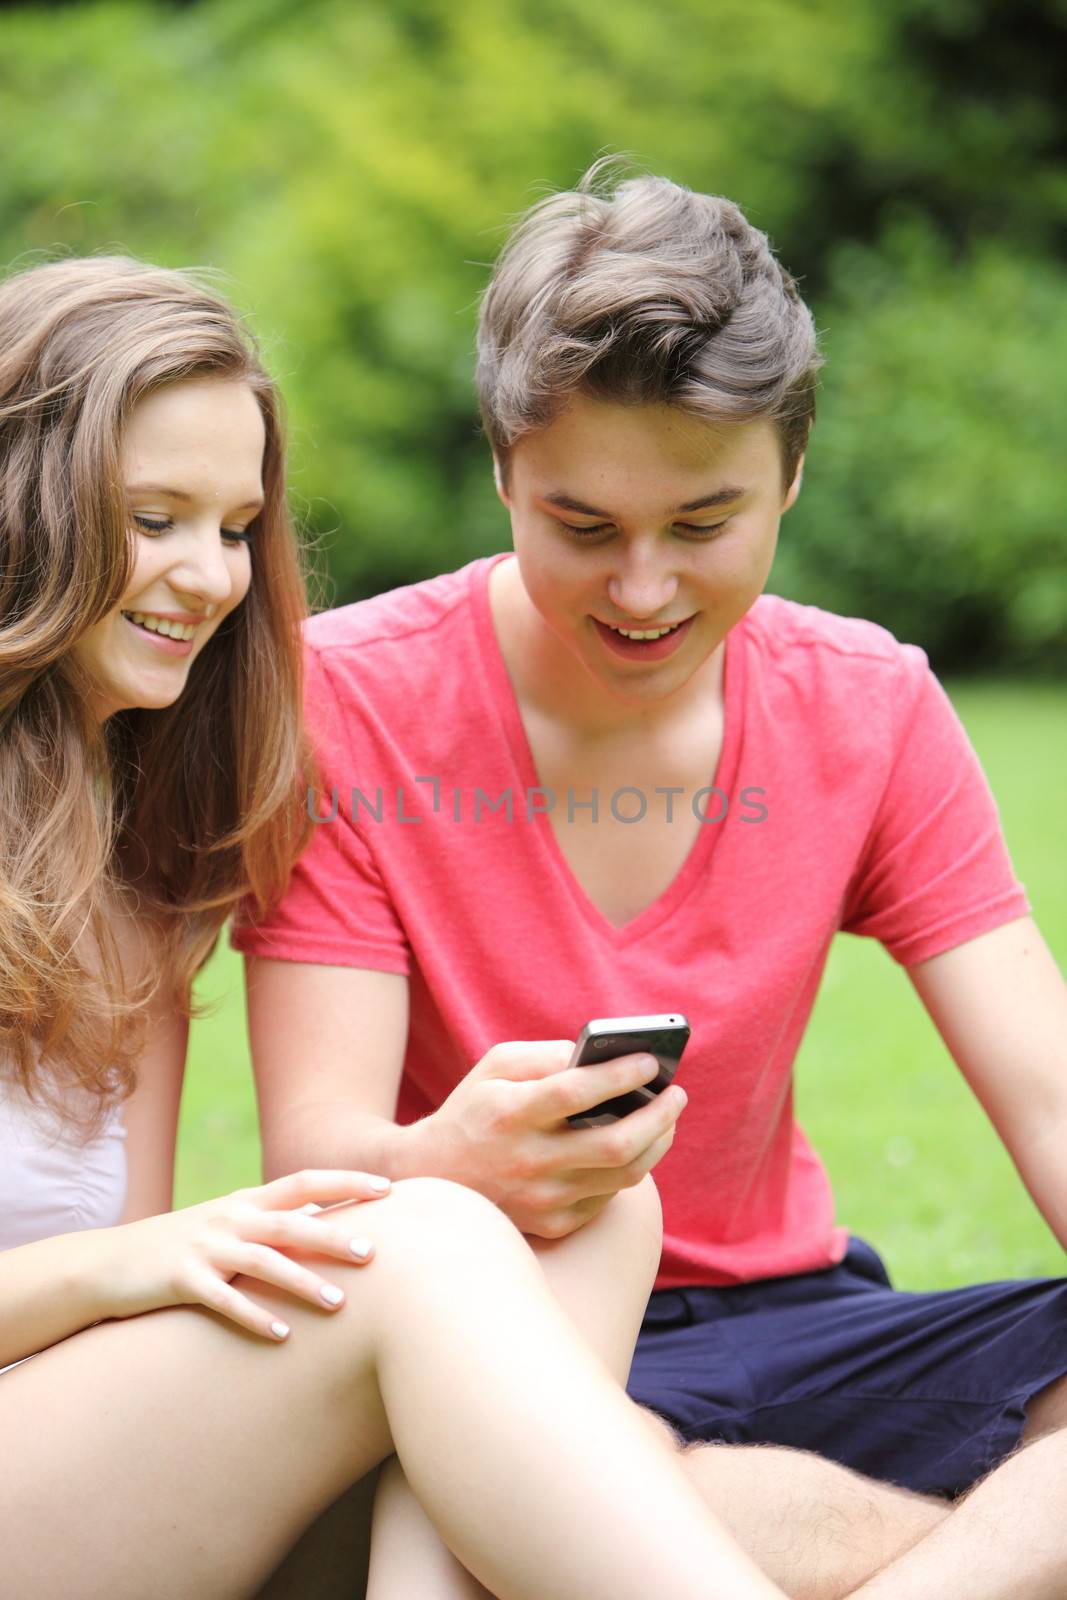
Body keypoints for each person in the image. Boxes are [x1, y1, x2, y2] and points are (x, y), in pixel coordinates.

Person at [236, 163, 1067, 1600]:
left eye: (701, 525)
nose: (640, 590)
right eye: (581, 525)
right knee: (510, 1471)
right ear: (502, 467)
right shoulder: (346, 708)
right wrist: (449, 1159)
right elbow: (316, 1161)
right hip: (508, 1333)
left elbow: (1048, 1092)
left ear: (793, 474)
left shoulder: (868, 705)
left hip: (801, 1317)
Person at [0, 254, 794, 1600]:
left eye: (235, 525)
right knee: (432, 1241)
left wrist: (149, 1263)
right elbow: (109, 1271)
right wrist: (116, 1267)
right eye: (155, 517)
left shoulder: (133, 874)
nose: (208, 576)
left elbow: (120, 1295)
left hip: (69, 1459)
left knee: (588, 1217)